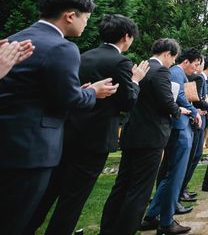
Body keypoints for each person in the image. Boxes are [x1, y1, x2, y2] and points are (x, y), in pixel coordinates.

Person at [0, 0, 118, 235]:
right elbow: (70, 100)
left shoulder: (14, 38)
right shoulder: (62, 47)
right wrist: (92, 92)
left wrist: (76, 91)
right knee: (16, 220)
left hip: (8, 141)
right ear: (70, 15)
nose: (86, 24)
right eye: (86, 18)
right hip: (33, 149)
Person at [27, 14, 149, 235]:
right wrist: (135, 81)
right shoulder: (120, 62)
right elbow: (127, 102)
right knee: (73, 199)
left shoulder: (83, 55)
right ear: (126, 36)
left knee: (48, 193)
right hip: (96, 139)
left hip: (68, 133)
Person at [99, 38, 186, 235]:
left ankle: (108, 229)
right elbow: (167, 102)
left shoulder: (140, 68)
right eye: (173, 58)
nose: (173, 62)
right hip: (151, 137)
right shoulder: (161, 71)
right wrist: (178, 110)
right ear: (167, 54)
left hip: (132, 133)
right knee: (140, 190)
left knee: (121, 186)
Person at [141, 48, 202, 234]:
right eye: (195, 64)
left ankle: (152, 216)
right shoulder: (176, 72)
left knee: (171, 175)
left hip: (180, 127)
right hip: (179, 128)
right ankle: (166, 222)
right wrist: (194, 111)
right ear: (186, 61)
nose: (196, 69)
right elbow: (176, 98)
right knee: (175, 176)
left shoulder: (177, 73)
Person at [180, 55, 208, 202]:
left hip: (201, 118)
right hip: (196, 120)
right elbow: (196, 100)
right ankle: (181, 189)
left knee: (196, 155)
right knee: (193, 156)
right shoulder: (199, 78)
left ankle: (183, 188)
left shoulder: (202, 79)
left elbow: (201, 99)